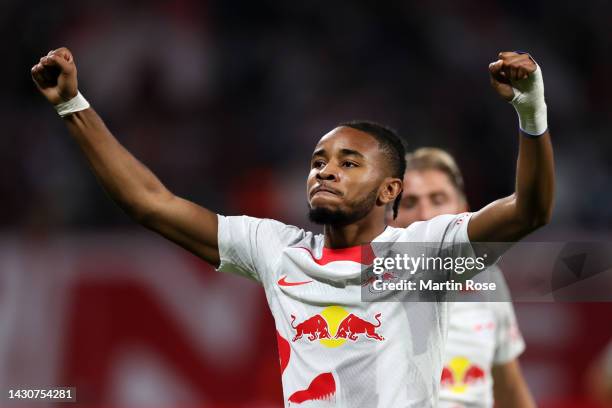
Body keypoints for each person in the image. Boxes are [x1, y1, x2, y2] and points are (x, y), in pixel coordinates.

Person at [31, 47, 554, 407]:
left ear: (389, 190)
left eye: (350, 163)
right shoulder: (276, 249)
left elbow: (528, 212)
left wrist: (531, 111)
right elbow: (151, 203)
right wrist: (72, 106)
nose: (325, 170)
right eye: (318, 160)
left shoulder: (426, 252)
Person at [389, 147, 536, 408]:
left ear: (464, 211)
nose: (425, 215)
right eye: (409, 203)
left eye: (438, 199)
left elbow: (509, 389)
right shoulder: (365, 288)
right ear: (389, 219)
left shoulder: (488, 281)